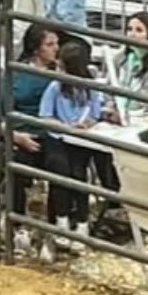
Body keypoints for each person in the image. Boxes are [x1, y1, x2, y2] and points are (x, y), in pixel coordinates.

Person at [37, 39, 107, 248]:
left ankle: (83, 224)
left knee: (79, 174)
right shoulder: (54, 87)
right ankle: (62, 221)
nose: (60, 71)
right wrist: (64, 127)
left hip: (79, 139)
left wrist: (87, 123)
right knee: (61, 171)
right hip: (57, 138)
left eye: (63, 67)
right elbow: (45, 116)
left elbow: (95, 113)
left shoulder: (90, 88)